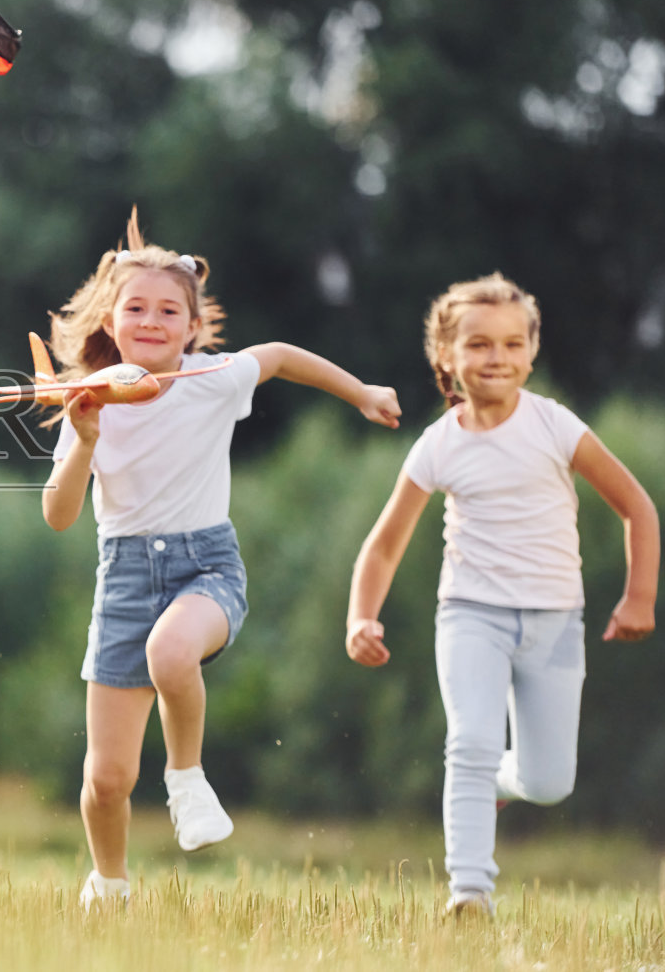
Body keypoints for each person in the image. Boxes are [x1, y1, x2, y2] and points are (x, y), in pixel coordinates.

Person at [39, 216, 401, 909]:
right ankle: (108, 883)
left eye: (168, 310)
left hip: (206, 567)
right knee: (106, 779)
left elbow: (284, 355)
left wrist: (362, 392)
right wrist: (83, 439)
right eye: (136, 307)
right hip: (122, 580)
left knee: (171, 652)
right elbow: (58, 516)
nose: (151, 319)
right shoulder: (91, 402)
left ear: (193, 326)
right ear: (111, 321)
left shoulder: (215, 380)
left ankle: (186, 780)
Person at [345, 273, 658, 917]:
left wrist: (639, 598)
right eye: (481, 345)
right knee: (469, 740)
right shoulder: (439, 444)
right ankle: (470, 895)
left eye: (513, 345)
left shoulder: (555, 426)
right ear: (448, 357)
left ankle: (495, 782)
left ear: (532, 352)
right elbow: (384, 544)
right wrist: (361, 616)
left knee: (547, 783)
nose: (498, 358)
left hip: (555, 621)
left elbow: (637, 507)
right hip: (469, 615)